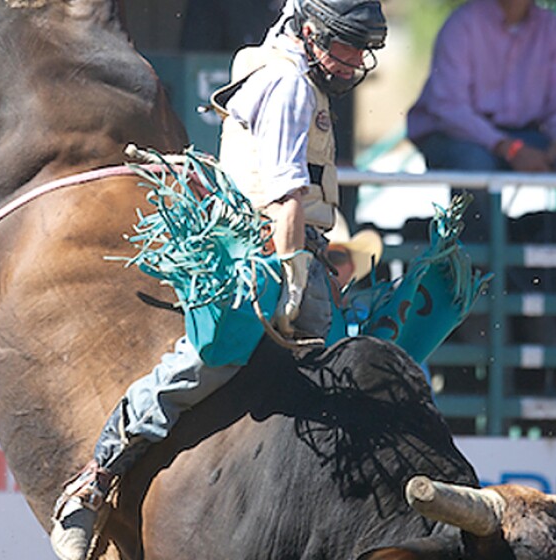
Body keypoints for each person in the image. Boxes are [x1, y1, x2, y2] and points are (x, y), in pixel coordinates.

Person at [48, 2, 387, 559]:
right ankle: (94, 480)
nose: (356, 60)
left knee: (353, 365)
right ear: (309, 30)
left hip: (291, 245)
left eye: (362, 47)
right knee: (215, 355)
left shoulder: (297, 75)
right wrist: (290, 270)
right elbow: (283, 198)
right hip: (263, 248)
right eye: (347, 45)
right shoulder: (289, 84)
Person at [406, 0, 556, 241]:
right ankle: (481, 267)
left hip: (521, 136)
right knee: (474, 165)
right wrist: (510, 148)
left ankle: (552, 261)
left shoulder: (551, 27)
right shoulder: (462, 24)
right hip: (456, 136)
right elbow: (449, 110)